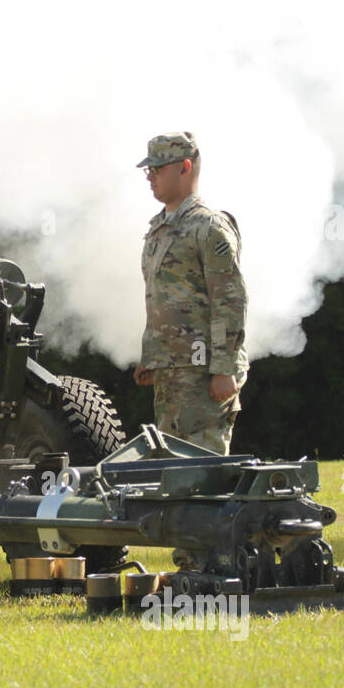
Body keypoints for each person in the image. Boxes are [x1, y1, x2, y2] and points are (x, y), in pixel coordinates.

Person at [132, 132, 248, 455]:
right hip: (171, 379)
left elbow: (230, 300)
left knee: (203, 476)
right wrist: (151, 353)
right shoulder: (158, 229)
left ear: (185, 167)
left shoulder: (209, 227)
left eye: (158, 168)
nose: (150, 177)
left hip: (203, 380)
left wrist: (224, 369)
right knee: (173, 476)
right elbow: (162, 299)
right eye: (148, 170)